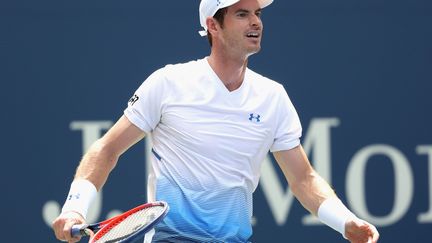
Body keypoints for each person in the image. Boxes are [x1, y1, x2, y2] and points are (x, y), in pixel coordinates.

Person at [52, 0, 380, 242]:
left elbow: (303, 179)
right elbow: (106, 150)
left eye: (258, 14)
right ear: (213, 25)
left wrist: (345, 222)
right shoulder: (169, 83)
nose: (256, 22)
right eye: (242, 14)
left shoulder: (273, 97)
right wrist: (74, 208)